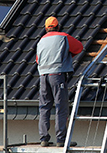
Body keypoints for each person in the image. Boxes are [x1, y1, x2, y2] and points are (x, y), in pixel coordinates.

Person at [36, 16, 83, 147]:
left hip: (43, 76)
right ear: (58, 26)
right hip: (57, 75)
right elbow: (79, 47)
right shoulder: (63, 37)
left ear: (46, 28)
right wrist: (66, 54)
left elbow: (37, 60)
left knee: (44, 107)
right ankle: (61, 139)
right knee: (61, 106)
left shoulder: (41, 41)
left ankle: (44, 139)